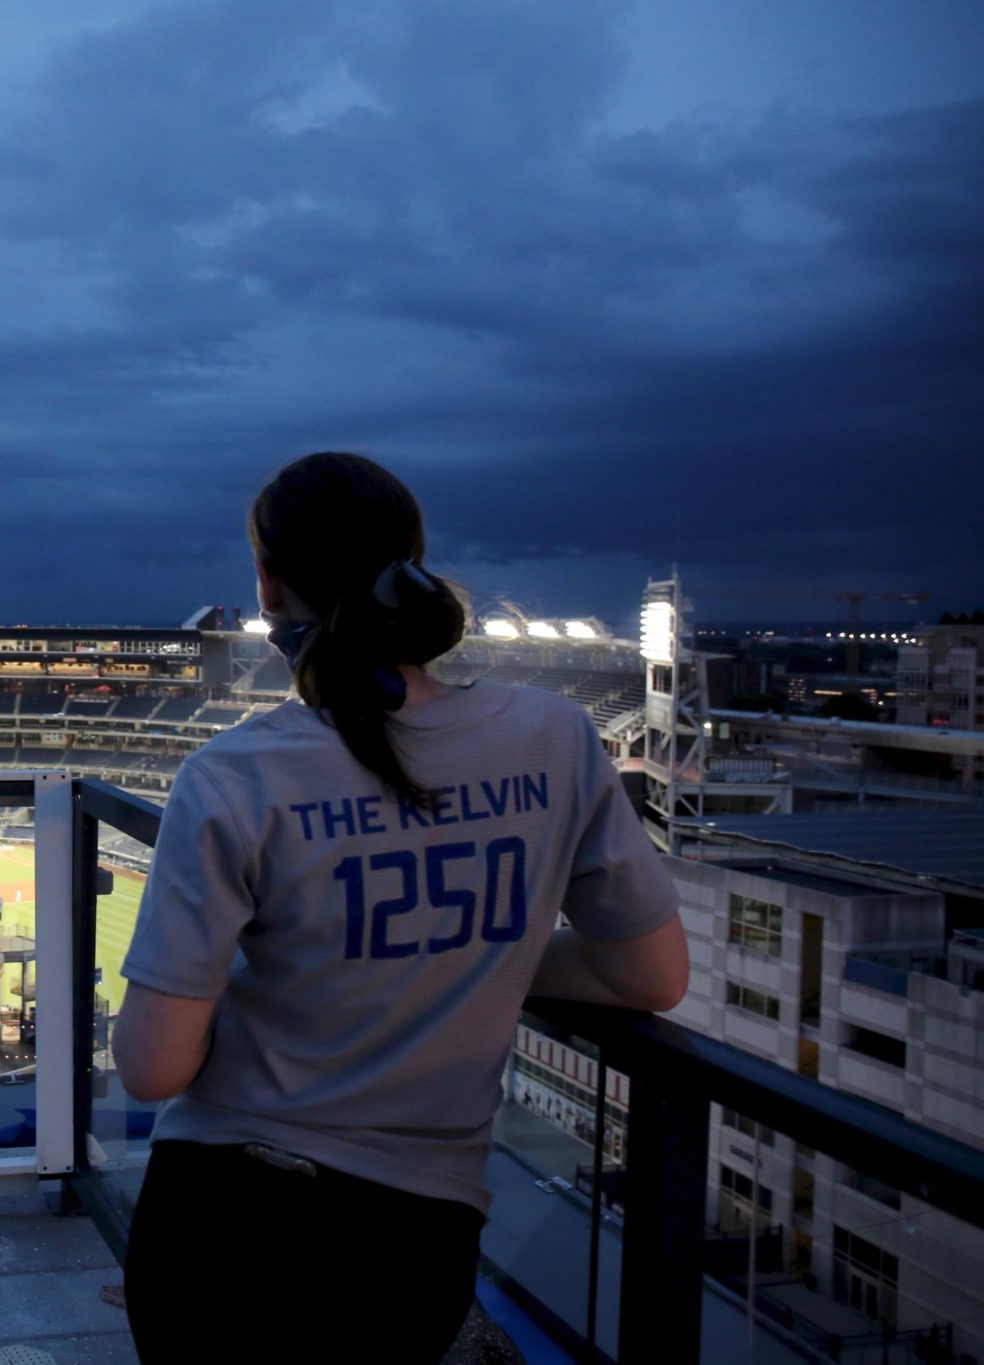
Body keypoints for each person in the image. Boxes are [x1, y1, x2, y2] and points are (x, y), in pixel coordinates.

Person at [113, 452, 688, 1363]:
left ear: (268, 580)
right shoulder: (558, 735)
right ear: (412, 563)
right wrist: (466, 948)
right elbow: (649, 976)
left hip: (221, 1227)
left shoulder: (233, 773)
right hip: (413, 1239)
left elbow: (151, 1065)